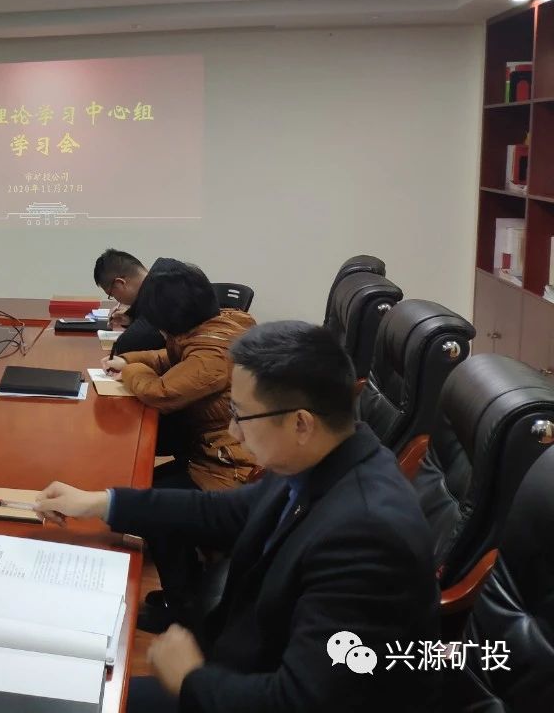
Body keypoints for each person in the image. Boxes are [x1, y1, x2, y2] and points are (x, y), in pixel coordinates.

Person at [36, 321, 440, 713]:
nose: (233, 431)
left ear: (301, 423)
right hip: (238, 669)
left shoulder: (367, 537)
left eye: (242, 415)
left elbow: (302, 701)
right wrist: (101, 503)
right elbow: (222, 511)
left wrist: (189, 678)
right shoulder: (319, 458)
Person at [101, 258, 258, 492]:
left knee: (129, 495)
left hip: (227, 471)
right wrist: (128, 359)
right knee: (129, 485)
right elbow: (170, 356)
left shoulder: (211, 357)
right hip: (207, 452)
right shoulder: (220, 323)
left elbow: (159, 393)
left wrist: (129, 370)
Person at [93, 248, 165, 357]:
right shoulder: (160, 281)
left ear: (120, 284)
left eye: (111, 295)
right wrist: (131, 319)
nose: (116, 300)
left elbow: (127, 344)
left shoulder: (165, 292)